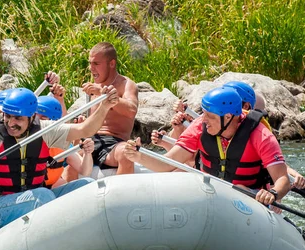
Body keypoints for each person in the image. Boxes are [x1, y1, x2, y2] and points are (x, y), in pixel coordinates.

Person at [0, 86, 119, 232]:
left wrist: (104, 107)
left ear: (31, 117)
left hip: (33, 197)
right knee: (42, 196)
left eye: (18, 118)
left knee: (86, 185)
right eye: (7, 116)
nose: (11, 124)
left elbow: (84, 130)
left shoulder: (44, 130)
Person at [124, 87, 291, 208]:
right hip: (212, 194)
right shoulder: (199, 127)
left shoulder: (260, 135)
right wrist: (139, 156)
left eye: (209, 116)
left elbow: (282, 179)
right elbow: (168, 163)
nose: (203, 120)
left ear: (228, 116)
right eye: (203, 114)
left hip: (249, 197)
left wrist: (273, 194)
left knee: (241, 190)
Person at [81, 42, 139, 175]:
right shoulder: (93, 86)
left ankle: (122, 194)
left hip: (113, 143)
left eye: (96, 64)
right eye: (90, 63)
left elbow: (131, 110)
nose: (91, 68)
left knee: (127, 154)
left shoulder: (126, 85)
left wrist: (103, 93)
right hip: (89, 139)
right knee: (64, 152)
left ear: (111, 64)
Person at [36, 95, 95, 188]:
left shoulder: (60, 143)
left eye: (43, 119)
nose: (38, 123)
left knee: (88, 182)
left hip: (50, 187)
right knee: (47, 192)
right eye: (35, 117)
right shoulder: (25, 140)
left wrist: (88, 153)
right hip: (32, 191)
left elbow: (85, 171)